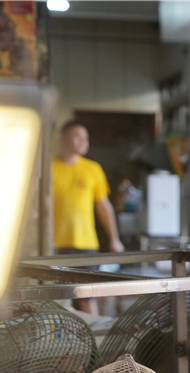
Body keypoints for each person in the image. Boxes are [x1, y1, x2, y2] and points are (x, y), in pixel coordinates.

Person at [52, 121, 124, 314]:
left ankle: (91, 341)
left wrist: (114, 239)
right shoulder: (49, 168)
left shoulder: (93, 169)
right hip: (55, 246)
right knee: (56, 300)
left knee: (87, 297)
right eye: (77, 136)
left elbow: (104, 207)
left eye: (86, 137)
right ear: (63, 137)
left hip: (86, 246)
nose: (83, 141)